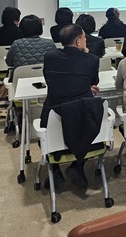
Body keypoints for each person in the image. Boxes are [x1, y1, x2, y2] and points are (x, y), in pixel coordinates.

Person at [40, 24, 100, 188]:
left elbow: (52, 80)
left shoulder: (50, 57)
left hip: (53, 115)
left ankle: (55, 170)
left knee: (49, 130)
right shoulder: (92, 60)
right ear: (79, 41)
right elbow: (94, 82)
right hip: (82, 120)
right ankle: (78, 165)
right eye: (84, 38)